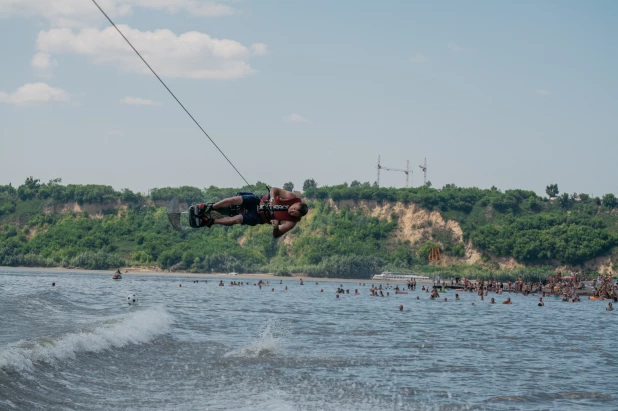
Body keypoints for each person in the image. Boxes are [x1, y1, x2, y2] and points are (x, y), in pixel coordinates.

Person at [191, 187, 308, 238]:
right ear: (295, 203)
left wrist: (276, 227)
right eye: (293, 209)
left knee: (236, 219)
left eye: (294, 214)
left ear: (298, 217)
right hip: (257, 202)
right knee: (234, 200)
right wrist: (272, 198)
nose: (291, 212)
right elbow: (274, 190)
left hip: (257, 217)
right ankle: (209, 207)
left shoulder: (291, 223)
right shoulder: (291, 196)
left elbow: (276, 235)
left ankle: (209, 221)